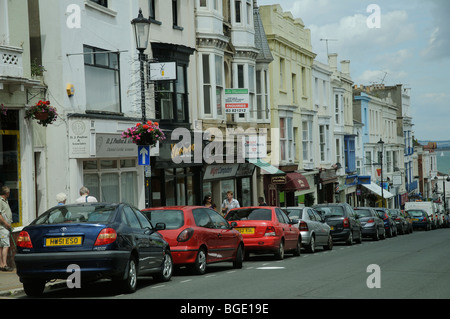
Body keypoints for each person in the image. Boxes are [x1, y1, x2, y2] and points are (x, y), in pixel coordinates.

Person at [0, 186, 13, 271]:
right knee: (5, 245)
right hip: (3, 227)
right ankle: (4, 264)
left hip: (4, 226)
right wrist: (6, 224)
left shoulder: (5, 200)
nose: (9, 194)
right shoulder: (0, 201)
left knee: (1, 246)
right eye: (8, 193)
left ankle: (1, 265)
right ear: (6, 193)